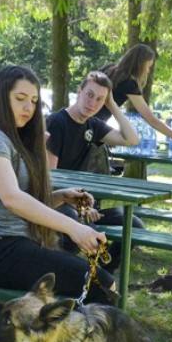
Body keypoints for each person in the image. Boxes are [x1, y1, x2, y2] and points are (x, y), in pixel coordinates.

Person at [0, 65, 117, 303]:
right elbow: (11, 199)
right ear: (2, 98)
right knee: (101, 284)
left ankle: (67, 336)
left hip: (16, 243)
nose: (28, 107)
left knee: (100, 282)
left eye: (34, 101)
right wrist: (74, 228)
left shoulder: (11, 138)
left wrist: (60, 197)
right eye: (20, 98)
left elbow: (22, 197)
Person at [46, 71, 141, 271]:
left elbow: (132, 139)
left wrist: (113, 105)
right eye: (90, 95)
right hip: (57, 202)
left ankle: (101, 277)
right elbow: (50, 177)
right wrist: (80, 205)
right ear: (78, 92)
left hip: (85, 205)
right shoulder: (56, 122)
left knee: (135, 225)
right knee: (89, 233)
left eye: (100, 99)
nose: (93, 103)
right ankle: (72, 275)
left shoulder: (94, 125)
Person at [95, 44, 172, 154]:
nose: (148, 71)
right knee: (132, 140)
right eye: (147, 67)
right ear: (139, 65)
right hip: (97, 125)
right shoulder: (129, 84)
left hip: (86, 119)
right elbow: (152, 119)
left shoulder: (109, 69)